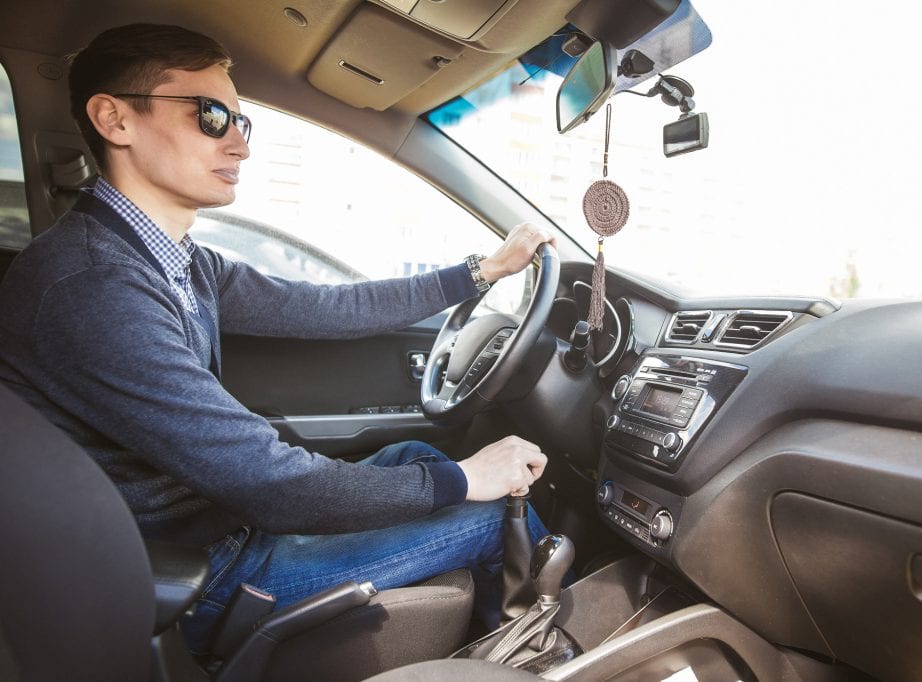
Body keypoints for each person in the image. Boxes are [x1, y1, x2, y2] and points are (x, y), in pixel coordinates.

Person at [0, 23, 556, 653]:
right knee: (490, 509)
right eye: (212, 116)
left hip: (219, 527)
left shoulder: (174, 260)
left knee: (414, 460)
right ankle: (549, 656)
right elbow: (273, 485)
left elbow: (329, 309)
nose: (239, 145)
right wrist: (468, 479)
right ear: (114, 119)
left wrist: (479, 272)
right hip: (200, 572)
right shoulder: (94, 286)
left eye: (243, 123)